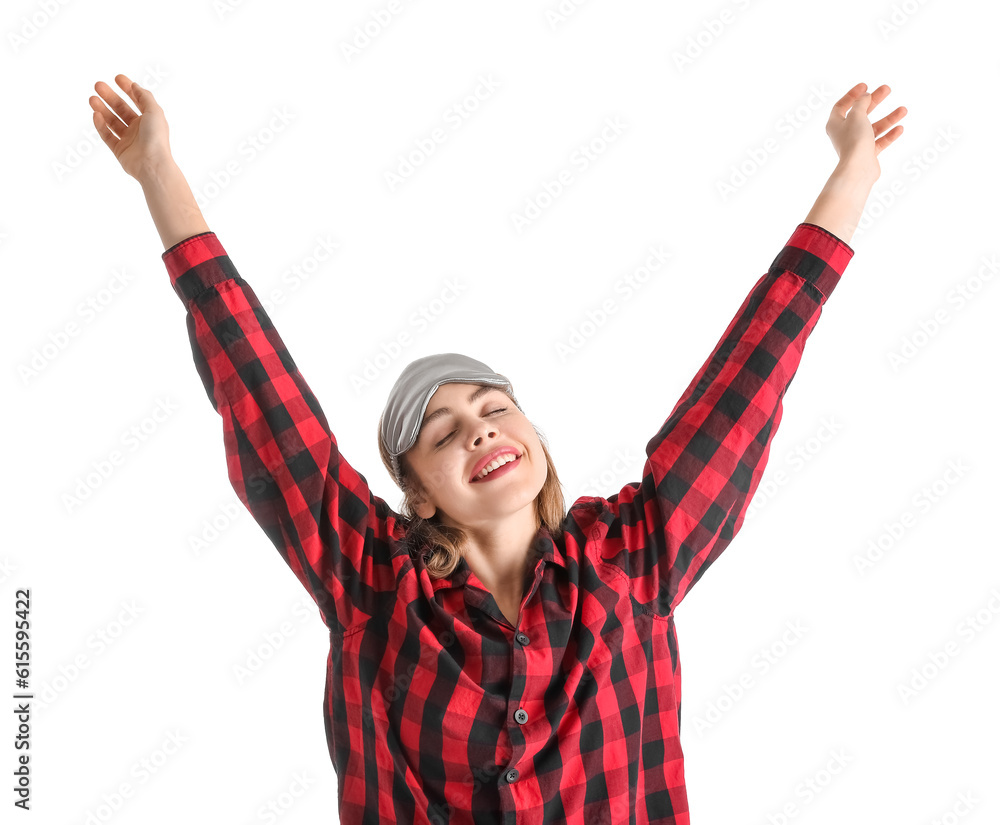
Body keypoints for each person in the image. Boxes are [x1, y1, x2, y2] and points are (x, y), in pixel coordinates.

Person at [90, 75, 906, 825]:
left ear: (531, 439)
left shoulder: (634, 555)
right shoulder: (372, 580)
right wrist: (158, 172)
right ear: (417, 490)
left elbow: (744, 385)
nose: (480, 428)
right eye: (443, 431)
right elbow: (262, 398)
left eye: (494, 408)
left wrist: (852, 180)